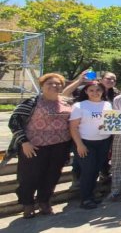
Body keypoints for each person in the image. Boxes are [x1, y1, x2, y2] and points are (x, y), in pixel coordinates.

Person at [7, 73, 72, 218]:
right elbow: (14, 122)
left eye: (58, 84)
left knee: (52, 176)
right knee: (29, 177)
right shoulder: (32, 102)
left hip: (60, 146)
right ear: (42, 86)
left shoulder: (66, 103)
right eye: (50, 83)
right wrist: (24, 142)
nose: (54, 86)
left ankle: (44, 201)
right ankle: (28, 204)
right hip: (34, 146)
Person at [69, 81, 112, 209]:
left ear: (103, 91)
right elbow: (73, 127)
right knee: (88, 171)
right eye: (91, 90)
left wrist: (105, 126)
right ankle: (85, 199)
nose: (95, 93)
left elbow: (108, 122)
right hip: (86, 142)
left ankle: (91, 196)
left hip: (103, 141)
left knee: (95, 170)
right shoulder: (79, 106)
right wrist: (79, 145)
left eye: (98, 90)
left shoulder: (107, 104)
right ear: (86, 91)